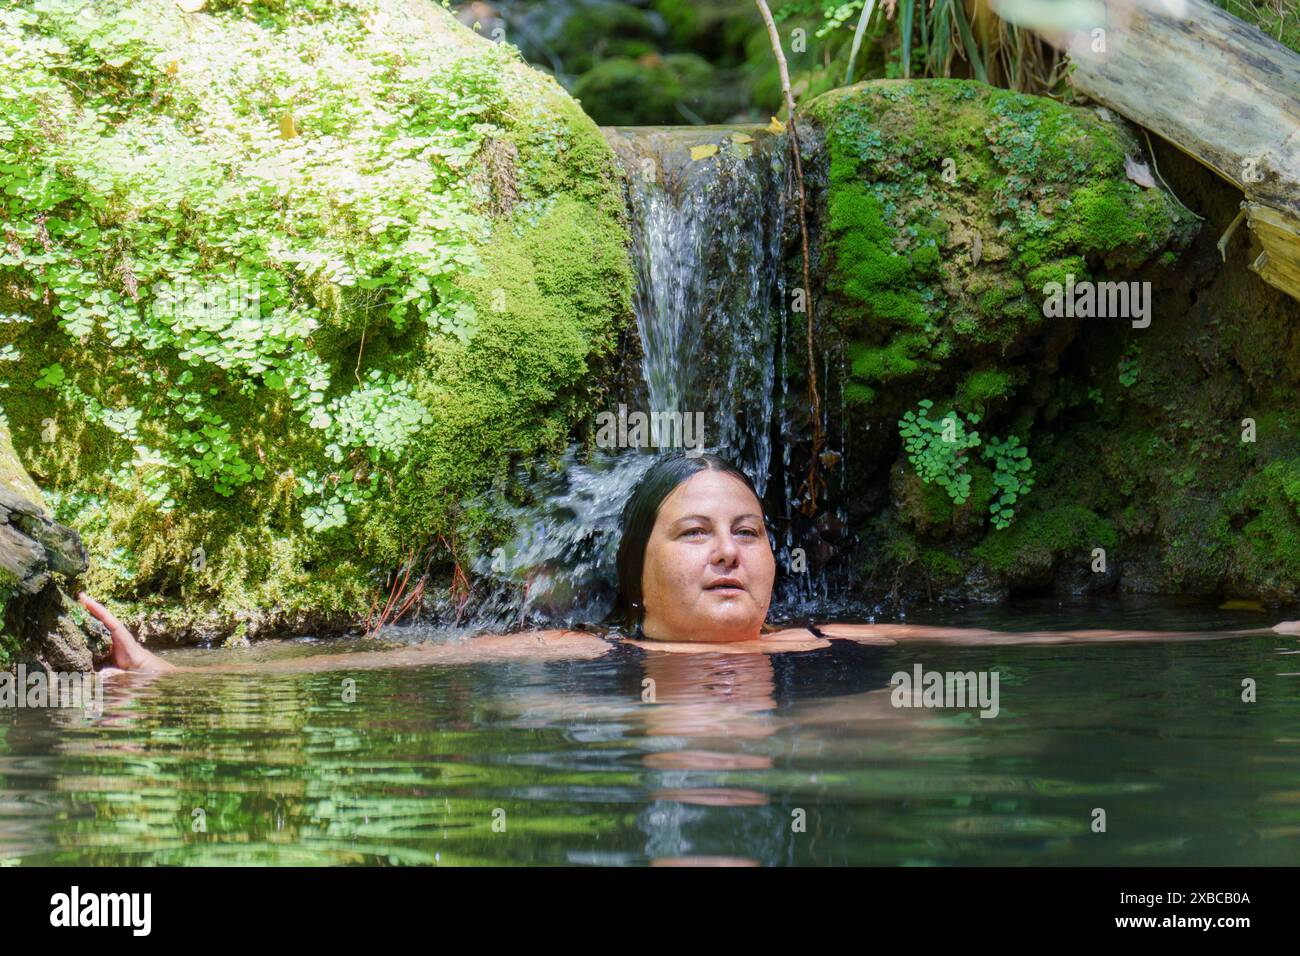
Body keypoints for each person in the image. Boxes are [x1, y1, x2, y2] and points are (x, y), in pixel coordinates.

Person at [81, 452, 1300, 676]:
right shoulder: (577, 648)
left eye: (748, 531)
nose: (728, 549)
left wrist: (1257, 643)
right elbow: (348, 668)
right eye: (692, 530)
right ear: (635, 573)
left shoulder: (837, 645)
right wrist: (169, 680)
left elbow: (1070, 645)